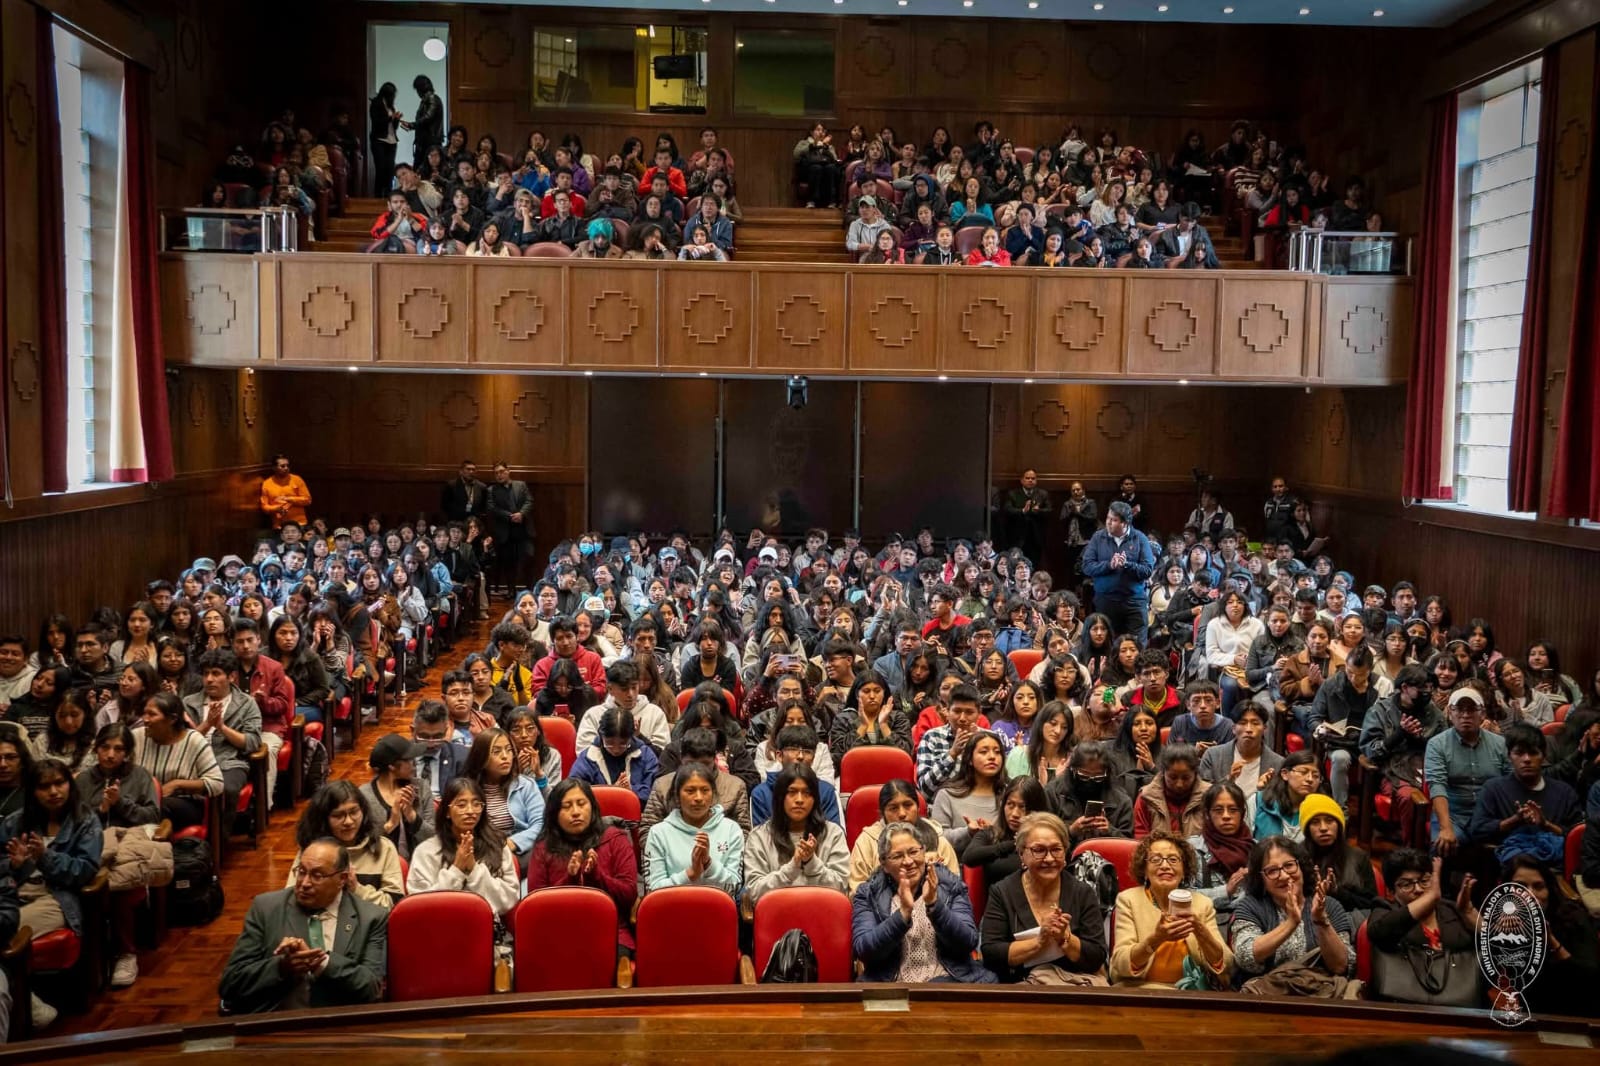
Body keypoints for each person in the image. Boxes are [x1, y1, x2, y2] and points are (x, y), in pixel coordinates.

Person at [218, 838, 387, 1013]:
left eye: (317, 876)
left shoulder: (371, 917)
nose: (304, 883)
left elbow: (371, 989)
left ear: (342, 879)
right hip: (277, 1022)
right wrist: (281, 967)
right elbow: (231, 983)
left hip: (340, 1022)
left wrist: (321, 963)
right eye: (301, 871)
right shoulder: (266, 908)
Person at [853, 820, 995, 984]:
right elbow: (864, 950)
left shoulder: (949, 884)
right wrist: (902, 915)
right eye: (897, 856)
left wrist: (935, 905)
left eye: (913, 852)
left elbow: (968, 941)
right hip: (891, 984)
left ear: (924, 852)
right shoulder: (868, 893)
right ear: (884, 863)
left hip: (949, 980)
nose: (908, 861)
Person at [979, 812, 1106, 985]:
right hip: (1019, 988)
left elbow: (1097, 956)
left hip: (1074, 987)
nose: (1049, 858)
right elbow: (991, 954)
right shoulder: (1002, 892)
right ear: (1021, 854)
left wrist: (1065, 939)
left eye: (1056, 849)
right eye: (1039, 850)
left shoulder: (1082, 893)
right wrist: (1039, 941)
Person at [1232, 835, 1355, 996]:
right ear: (1261, 878)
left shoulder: (1330, 906)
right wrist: (1291, 923)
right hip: (1269, 998)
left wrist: (1321, 921)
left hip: (1321, 997)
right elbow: (1245, 957)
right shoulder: (1250, 907)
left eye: (1289, 866)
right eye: (1272, 871)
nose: (1284, 876)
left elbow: (1341, 966)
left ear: (1302, 867)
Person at [526, 779, 639, 952]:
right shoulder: (544, 847)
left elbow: (629, 895)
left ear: (592, 807)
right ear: (554, 813)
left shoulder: (615, 838)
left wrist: (596, 876)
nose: (576, 812)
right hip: (557, 933)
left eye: (581, 804)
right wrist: (570, 878)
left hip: (612, 931)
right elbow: (536, 905)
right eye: (566, 806)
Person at [1110, 830, 1232, 988]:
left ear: (1184, 871)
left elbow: (1227, 964)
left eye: (1173, 860)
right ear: (1144, 870)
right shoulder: (1129, 900)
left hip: (1191, 994)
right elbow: (1120, 964)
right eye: (1156, 859)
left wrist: (1201, 931)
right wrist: (1156, 939)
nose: (1165, 866)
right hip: (1141, 990)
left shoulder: (1202, 904)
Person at [1365, 851, 1481, 1004]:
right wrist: (1430, 898)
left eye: (1424, 881)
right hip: (1403, 1003)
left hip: (1460, 1002)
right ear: (1391, 892)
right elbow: (1378, 933)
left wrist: (1470, 913)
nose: (1418, 889)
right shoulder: (1385, 910)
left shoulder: (1454, 909)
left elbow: (1497, 953)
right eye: (1407, 884)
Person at [405, 777, 522, 918]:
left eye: (476, 804)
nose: (470, 811)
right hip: (440, 927)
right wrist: (456, 871)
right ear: (447, 812)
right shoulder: (426, 851)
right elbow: (419, 906)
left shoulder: (497, 845)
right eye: (461, 805)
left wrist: (474, 870)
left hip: (488, 925)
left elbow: (510, 898)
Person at [1501, 852, 1600, 1016]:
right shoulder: (1508, 924)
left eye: (1538, 886)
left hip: (1581, 1013)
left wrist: (1551, 942)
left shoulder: (1574, 918)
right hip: (1534, 1016)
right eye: (1520, 887)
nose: (1530, 894)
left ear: (1549, 890)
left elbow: (1590, 981)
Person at [1467, 722, 1582, 861]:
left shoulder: (1564, 793)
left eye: (1533, 753)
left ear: (1544, 756)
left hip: (1553, 865)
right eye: (1519, 753)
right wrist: (1514, 821)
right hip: (1507, 865)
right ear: (1509, 756)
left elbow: (1578, 836)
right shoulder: (1493, 789)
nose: (1527, 759)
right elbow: (1477, 830)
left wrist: (1546, 825)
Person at [743, 762, 850, 905]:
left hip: (822, 911)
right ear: (780, 797)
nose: (799, 800)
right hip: (777, 913)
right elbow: (754, 893)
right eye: (792, 792)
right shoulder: (759, 837)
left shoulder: (832, 834)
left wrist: (811, 862)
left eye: (807, 793)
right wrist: (792, 867)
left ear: (815, 799)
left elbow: (842, 888)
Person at [286, 781, 404, 910]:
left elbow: (395, 907)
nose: (348, 821)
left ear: (363, 811)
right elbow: (291, 900)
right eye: (338, 815)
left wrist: (357, 889)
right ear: (324, 819)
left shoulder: (384, 848)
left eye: (354, 812)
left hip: (369, 922)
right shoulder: (312, 851)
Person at [182, 649, 262, 837]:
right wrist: (207, 724)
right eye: (206, 674)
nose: (209, 679)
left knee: (225, 788)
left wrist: (221, 727)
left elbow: (252, 742)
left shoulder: (246, 703)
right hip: (192, 762)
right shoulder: (188, 702)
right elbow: (182, 741)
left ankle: (218, 841)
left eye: (216, 673)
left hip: (229, 763)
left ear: (231, 677)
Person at [1426, 688, 1509, 858]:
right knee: (1441, 846)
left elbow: (1510, 783)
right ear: (1450, 713)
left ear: (1482, 714)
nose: (1465, 715)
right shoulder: (1437, 744)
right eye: (1459, 709)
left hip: (1489, 815)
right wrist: (1446, 827)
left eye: (1471, 710)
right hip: (1453, 814)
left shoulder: (1500, 744)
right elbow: (1437, 786)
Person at [643, 764, 745, 897]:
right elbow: (653, 890)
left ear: (713, 793)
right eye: (690, 791)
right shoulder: (658, 833)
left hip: (717, 907)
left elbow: (734, 887)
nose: (698, 798)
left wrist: (709, 864)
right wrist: (690, 874)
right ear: (677, 795)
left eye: (705, 790)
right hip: (672, 907)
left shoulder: (731, 829)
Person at [849, 778, 961, 892]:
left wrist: (935, 870)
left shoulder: (937, 838)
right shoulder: (867, 841)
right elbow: (856, 891)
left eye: (908, 805)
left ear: (918, 807)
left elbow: (955, 890)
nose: (902, 814)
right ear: (883, 813)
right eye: (893, 808)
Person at [134, 692, 223, 830]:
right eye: (144, 713)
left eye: (152, 714)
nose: (145, 719)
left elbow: (216, 783)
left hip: (183, 803)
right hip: (141, 801)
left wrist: (177, 784)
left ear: (172, 719)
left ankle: (144, 838)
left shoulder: (193, 741)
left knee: (158, 807)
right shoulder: (137, 737)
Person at [461, 728, 546, 865]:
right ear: (481, 757)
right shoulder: (467, 789)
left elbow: (540, 824)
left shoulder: (525, 785)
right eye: (496, 752)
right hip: (483, 849)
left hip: (521, 849)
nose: (505, 756)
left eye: (509, 750)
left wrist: (513, 843)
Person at [1080, 501, 1156, 643]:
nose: (1108, 523)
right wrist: (1109, 565)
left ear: (1125, 523)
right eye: (1108, 518)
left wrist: (1127, 565)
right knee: (1105, 644)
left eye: (1114, 520)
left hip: (1133, 601)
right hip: (1106, 600)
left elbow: (1147, 570)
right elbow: (1087, 566)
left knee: (1137, 645)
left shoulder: (1140, 538)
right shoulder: (1098, 537)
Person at [1300, 794, 1380, 921]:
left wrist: (1338, 892)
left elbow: (1373, 904)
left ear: (1339, 825)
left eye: (1329, 821)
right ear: (1307, 829)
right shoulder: (1297, 858)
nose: (1323, 828)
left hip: (1351, 922)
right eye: (1315, 822)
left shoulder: (1358, 857)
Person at [963, 777, 1050, 888]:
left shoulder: (1049, 840)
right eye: (1010, 805)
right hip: (998, 897)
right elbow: (969, 857)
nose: (1014, 814)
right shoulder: (991, 833)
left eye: (1022, 807)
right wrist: (1013, 844)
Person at [929, 729, 1006, 851]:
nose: (992, 757)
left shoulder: (1009, 795)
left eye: (997, 752)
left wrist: (994, 833)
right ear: (970, 759)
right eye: (984, 752)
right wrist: (968, 832)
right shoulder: (947, 795)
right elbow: (937, 839)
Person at [359, 733, 432, 861]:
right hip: (381, 864)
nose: (414, 765)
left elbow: (434, 837)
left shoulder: (421, 787)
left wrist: (412, 816)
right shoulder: (364, 795)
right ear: (392, 766)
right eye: (409, 760)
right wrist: (390, 824)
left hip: (422, 863)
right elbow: (363, 846)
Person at [1197, 702, 1281, 798]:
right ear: (1233, 728)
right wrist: (1229, 779)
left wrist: (1264, 792)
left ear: (1264, 729)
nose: (1249, 729)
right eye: (1243, 723)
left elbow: (1281, 800)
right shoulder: (1212, 756)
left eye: (1255, 723)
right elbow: (1203, 796)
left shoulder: (1278, 763)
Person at [1133, 745, 1209, 839]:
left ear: (1195, 774)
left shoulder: (1209, 797)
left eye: (1186, 778)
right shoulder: (1146, 797)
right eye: (1173, 777)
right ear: (1163, 773)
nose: (1179, 784)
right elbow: (1141, 838)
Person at [1249, 750, 1323, 841]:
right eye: (1303, 772)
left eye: (1316, 776)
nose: (1310, 779)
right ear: (1285, 774)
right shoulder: (1258, 801)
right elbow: (1244, 842)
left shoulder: (1322, 809)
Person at [485, 461, 534, 592]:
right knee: (508, 563)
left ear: (508, 471)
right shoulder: (491, 490)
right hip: (505, 532)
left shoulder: (521, 485)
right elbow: (492, 508)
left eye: (501, 472)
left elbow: (529, 501)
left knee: (528, 558)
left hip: (523, 530)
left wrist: (521, 514)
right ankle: (511, 590)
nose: (499, 475)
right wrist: (510, 516)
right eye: (496, 473)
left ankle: (529, 589)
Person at [259, 454, 312, 529]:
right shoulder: (267, 484)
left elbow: (308, 500)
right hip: (279, 525)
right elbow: (264, 507)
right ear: (274, 468)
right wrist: (276, 509)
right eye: (282, 466)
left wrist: (289, 499)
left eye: (287, 465)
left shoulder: (297, 479)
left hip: (299, 524)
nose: (286, 468)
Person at [409, 75, 442, 165]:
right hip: (426, 141)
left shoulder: (431, 98)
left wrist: (412, 125)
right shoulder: (427, 100)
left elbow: (428, 117)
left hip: (429, 142)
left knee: (426, 167)